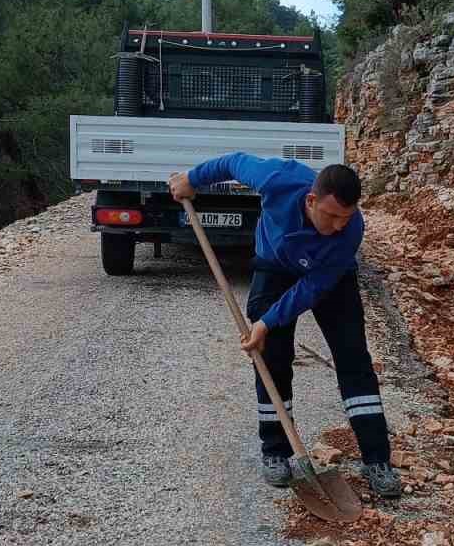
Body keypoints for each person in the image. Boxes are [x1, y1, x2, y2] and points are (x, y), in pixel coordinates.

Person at [169, 155, 402, 498]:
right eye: (332, 215)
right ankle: (276, 452)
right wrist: (192, 178)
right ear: (311, 200)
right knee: (271, 356)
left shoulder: (351, 230)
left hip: (328, 278)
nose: (339, 225)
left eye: (346, 217)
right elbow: (233, 163)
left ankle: (377, 459)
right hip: (274, 266)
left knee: (354, 359)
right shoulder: (277, 179)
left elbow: (312, 288)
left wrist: (267, 320)